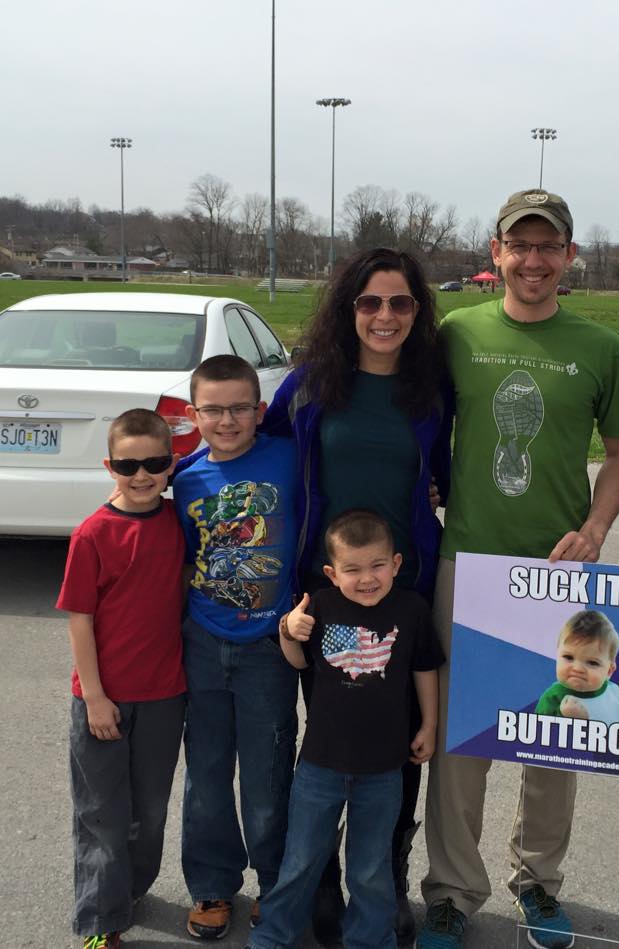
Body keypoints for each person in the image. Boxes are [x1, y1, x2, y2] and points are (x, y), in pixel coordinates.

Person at [417, 189, 619, 949]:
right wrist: (430, 479)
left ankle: (539, 883)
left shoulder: (604, 348)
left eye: (550, 247)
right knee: (462, 740)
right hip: (468, 561)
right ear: (496, 252)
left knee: (556, 729)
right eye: (522, 245)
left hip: (556, 569)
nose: (535, 260)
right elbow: (427, 422)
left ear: (569, 256)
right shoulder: (456, 331)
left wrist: (597, 526)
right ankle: (451, 890)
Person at [260, 247, 451, 945]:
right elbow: (254, 446)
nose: (385, 315)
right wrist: (163, 478)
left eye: (400, 303)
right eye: (370, 302)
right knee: (333, 741)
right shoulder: (311, 386)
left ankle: (386, 878)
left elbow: (448, 473)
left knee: (398, 743)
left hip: (404, 593)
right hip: (327, 592)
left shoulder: (429, 391)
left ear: (416, 312)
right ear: (349, 309)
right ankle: (321, 883)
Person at [245, 509, 444, 949]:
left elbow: (425, 669)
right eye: (352, 569)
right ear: (333, 574)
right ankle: (274, 935)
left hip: (384, 767)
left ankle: (370, 939)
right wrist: (287, 631)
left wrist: (429, 724)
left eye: (377, 566)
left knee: (370, 868)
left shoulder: (411, 609)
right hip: (320, 765)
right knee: (301, 859)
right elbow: (298, 662)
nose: (366, 578)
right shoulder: (319, 605)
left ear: (395, 564)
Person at [174, 355, 301, 941]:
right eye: (214, 409)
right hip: (203, 639)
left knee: (268, 772)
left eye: (239, 408)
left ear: (260, 410)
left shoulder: (291, 459)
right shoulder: (185, 478)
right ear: (193, 413)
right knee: (206, 771)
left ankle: (274, 883)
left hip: (269, 647)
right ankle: (211, 883)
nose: (227, 420)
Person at [57, 408, 186, 949]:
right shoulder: (92, 534)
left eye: (154, 463)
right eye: (128, 464)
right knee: (102, 813)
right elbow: (80, 620)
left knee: (150, 810)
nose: (141, 475)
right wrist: (95, 697)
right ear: (110, 465)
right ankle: (99, 919)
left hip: (164, 695)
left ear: (171, 463)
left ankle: (129, 888)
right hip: (104, 699)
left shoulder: (180, 522)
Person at [535, 610, 619, 725]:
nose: (578, 669)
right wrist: (566, 717)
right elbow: (539, 736)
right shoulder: (553, 698)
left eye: (592, 663)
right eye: (568, 657)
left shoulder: (615, 693)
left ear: (609, 671)